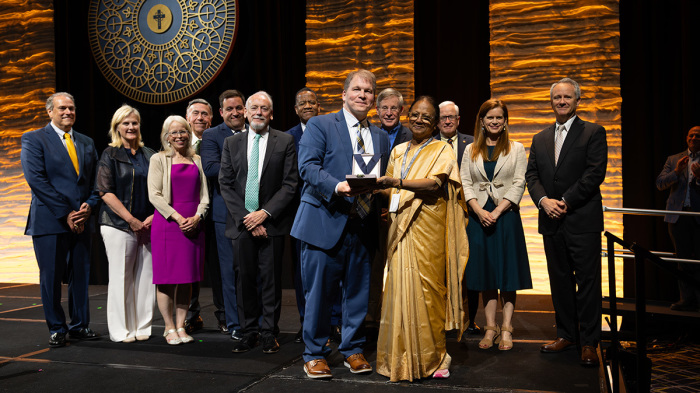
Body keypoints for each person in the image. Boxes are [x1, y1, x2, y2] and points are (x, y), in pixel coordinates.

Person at [291, 69, 390, 379]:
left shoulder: (379, 136)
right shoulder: (321, 125)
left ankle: (353, 349)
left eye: (368, 91)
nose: (363, 95)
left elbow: (377, 178)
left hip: (361, 224)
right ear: (344, 94)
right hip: (324, 221)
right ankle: (314, 353)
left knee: (358, 292)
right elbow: (307, 168)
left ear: (374, 99)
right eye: (357, 89)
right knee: (319, 293)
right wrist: (338, 186)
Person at [374, 96, 468, 381]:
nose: (419, 120)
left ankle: (434, 357)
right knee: (396, 292)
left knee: (428, 294)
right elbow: (386, 185)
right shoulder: (399, 150)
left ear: (436, 122)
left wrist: (396, 184)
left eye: (426, 117)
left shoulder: (442, 149)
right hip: (399, 224)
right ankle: (396, 359)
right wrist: (370, 186)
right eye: (415, 115)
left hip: (428, 228)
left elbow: (434, 184)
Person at [525, 77, 607, 366]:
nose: (561, 101)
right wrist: (543, 201)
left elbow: (594, 174)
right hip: (550, 221)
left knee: (587, 283)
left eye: (567, 97)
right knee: (559, 282)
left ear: (577, 101)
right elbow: (531, 176)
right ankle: (565, 335)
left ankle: (589, 342)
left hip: (581, 220)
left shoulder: (594, 132)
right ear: (551, 101)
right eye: (557, 97)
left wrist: (566, 201)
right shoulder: (539, 138)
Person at [219, 91, 299, 353]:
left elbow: (289, 184)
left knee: (271, 281)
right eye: (254, 107)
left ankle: (268, 332)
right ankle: (248, 331)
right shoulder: (232, 144)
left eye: (264, 108)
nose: (258, 112)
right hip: (242, 224)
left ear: (271, 113)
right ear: (245, 112)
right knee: (245, 280)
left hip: (272, 223)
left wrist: (264, 214)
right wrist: (249, 218)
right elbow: (226, 184)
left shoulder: (285, 141)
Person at [21, 92, 100, 348]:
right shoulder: (34, 139)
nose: (68, 112)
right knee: (51, 278)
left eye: (72, 108)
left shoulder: (87, 142)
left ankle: (80, 325)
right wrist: (67, 213)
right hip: (50, 221)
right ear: (50, 111)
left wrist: (89, 206)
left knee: (80, 276)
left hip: (82, 220)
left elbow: (96, 182)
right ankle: (57, 327)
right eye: (62, 108)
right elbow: (37, 181)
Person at [460, 99, 532, 351]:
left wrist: (498, 210)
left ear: (505, 122)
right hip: (479, 218)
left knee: (507, 274)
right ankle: (490, 327)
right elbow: (465, 182)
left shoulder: (516, 148)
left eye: (498, 117)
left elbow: (519, 183)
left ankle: (506, 328)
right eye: (489, 117)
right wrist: (479, 211)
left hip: (506, 217)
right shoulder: (470, 150)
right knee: (486, 273)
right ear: (481, 121)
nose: (494, 121)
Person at [286, 87, 343, 344]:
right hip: (301, 213)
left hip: (331, 208)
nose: (308, 106)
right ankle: (306, 321)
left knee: (332, 273)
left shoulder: (333, 131)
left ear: (319, 106)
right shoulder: (288, 138)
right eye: (302, 103)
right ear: (296, 109)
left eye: (312, 102)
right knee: (304, 275)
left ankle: (334, 322)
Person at [96, 105, 156, 343]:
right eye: (125, 123)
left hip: (149, 224)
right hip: (117, 224)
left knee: (146, 278)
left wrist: (153, 217)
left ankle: (142, 326)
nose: (131, 127)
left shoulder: (150, 154)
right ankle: (121, 330)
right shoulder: (110, 154)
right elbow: (104, 192)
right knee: (122, 277)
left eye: (134, 123)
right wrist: (131, 220)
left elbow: (160, 190)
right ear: (117, 127)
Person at [148, 116, 209, 345]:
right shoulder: (158, 159)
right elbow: (154, 195)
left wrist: (197, 217)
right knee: (166, 279)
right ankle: (169, 327)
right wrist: (178, 217)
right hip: (168, 224)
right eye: (173, 132)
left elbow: (205, 196)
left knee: (187, 279)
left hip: (193, 225)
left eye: (183, 131)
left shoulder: (198, 160)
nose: (179, 136)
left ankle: (181, 326)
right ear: (167, 136)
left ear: (189, 133)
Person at [201, 90, 247, 338]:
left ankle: (252, 321)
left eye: (239, 107)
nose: (235, 113)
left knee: (252, 272)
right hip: (225, 214)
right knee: (229, 272)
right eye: (229, 109)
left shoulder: (256, 132)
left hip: (255, 213)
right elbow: (210, 169)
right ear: (221, 112)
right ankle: (234, 324)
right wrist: (249, 169)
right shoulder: (211, 135)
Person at [437, 100, 480, 334]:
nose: (447, 121)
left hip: (468, 214)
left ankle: (469, 319)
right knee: (440, 269)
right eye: (443, 117)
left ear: (458, 120)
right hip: (437, 215)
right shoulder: (429, 145)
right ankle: (442, 320)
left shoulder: (472, 144)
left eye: (451, 117)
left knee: (467, 267)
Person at [183, 98, 220, 334]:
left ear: (212, 118)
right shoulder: (177, 142)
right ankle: (190, 315)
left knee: (219, 269)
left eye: (204, 114)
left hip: (217, 214)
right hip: (188, 216)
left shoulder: (219, 141)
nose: (200, 118)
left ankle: (225, 315)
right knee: (188, 270)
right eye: (195, 114)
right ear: (187, 118)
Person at [656, 126, 700, 312]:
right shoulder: (674, 159)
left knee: (698, 260)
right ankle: (686, 299)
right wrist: (676, 171)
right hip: (677, 216)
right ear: (686, 138)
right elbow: (660, 184)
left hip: (698, 216)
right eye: (691, 135)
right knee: (682, 260)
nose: (694, 138)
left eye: (698, 135)